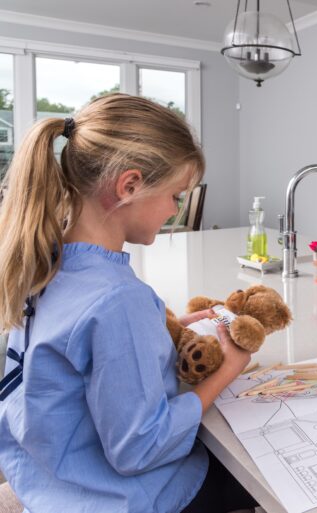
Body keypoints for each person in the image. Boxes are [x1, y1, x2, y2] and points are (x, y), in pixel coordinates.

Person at [0, 94, 256, 513]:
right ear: (130, 185)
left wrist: (158, 327)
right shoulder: (118, 299)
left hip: (50, 486)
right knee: (255, 476)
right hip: (121, 500)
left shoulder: (42, 263)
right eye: (176, 195)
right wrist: (227, 370)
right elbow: (139, 449)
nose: (175, 211)